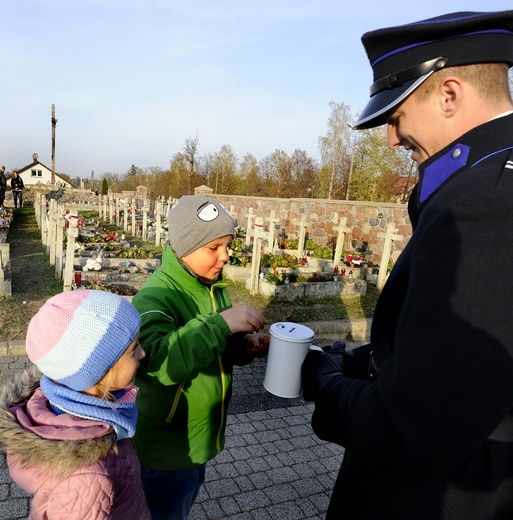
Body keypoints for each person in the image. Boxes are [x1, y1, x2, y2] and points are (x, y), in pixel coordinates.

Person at [301, 10, 513, 520]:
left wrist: (326, 387)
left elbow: (418, 426)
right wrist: (361, 362)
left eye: (395, 116)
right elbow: (467, 362)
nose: (391, 139)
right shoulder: (485, 184)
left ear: (449, 95)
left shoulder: (487, 207)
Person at [132, 195, 269, 519]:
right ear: (184, 246)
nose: (224, 257)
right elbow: (158, 364)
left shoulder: (211, 287)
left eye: (227, 246)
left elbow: (211, 346)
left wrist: (241, 346)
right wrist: (222, 323)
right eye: (214, 248)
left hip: (198, 440)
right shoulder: (156, 296)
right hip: (165, 453)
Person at [0, 290, 151, 519]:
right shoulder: (88, 478)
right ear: (97, 372)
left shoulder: (87, 406)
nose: (143, 352)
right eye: (133, 349)